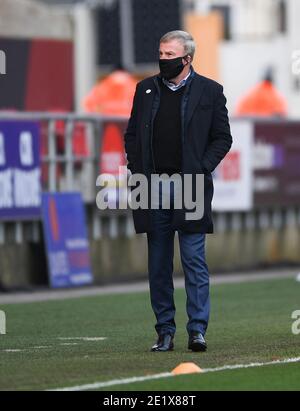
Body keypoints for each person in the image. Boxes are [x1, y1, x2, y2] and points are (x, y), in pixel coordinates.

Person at [124, 30, 232, 352]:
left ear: (187, 58)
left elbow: (222, 138)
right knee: (158, 264)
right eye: (161, 53)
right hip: (151, 186)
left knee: (194, 261)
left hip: (192, 186)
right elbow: (131, 134)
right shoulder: (144, 89)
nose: (163, 60)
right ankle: (164, 332)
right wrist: (135, 166)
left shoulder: (210, 91)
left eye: (170, 55)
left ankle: (197, 330)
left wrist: (201, 166)